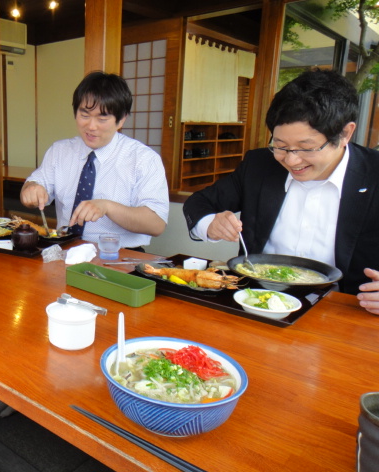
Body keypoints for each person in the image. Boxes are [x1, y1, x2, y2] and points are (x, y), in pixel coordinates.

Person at [183, 68, 379, 315]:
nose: (291, 160)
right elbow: (199, 203)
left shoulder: (374, 175)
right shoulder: (260, 166)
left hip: (344, 312)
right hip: (256, 302)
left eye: (306, 148)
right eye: (281, 146)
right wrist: (211, 224)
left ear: (345, 133)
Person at [20, 71, 169, 250]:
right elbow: (34, 185)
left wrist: (107, 207)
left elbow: (156, 224)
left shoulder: (143, 159)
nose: (91, 126)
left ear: (121, 120)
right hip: (65, 249)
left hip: (118, 255)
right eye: (85, 115)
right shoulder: (59, 151)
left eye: (102, 118)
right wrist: (31, 189)